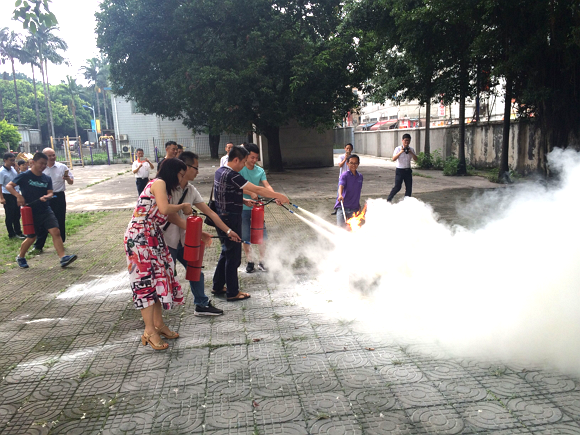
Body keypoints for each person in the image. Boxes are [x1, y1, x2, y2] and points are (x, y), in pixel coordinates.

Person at [124, 158, 194, 350]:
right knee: (145, 283)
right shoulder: (159, 183)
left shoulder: (164, 189)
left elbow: (170, 216)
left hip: (152, 235)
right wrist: (183, 206)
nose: (181, 179)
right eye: (181, 174)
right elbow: (165, 209)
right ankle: (149, 331)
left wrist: (196, 231)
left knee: (156, 281)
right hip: (140, 238)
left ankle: (159, 325)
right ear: (173, 172)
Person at [164, 151, 241, 315]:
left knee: (196, 271)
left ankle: (202, 304)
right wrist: (198, 233)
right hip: (165, 241)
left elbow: (210, 213)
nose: (198, 172)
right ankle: (156, 312)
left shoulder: (190, 190)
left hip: (184, 241)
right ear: (184, 167)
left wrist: (228, 231)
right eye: (196, 168)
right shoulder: (167, 188)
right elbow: (171, 217)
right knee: (165, 276)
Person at [212, 146, 289, 301]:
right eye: (243, 162)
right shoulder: (232, 175)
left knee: (226, 252)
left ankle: (218, 286)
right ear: (236, 160)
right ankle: (233, 292)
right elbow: (256, 189)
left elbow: (224, 194)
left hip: (221, 218)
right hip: (230, 219)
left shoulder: (220, 171)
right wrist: (278, 195)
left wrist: (243, 200)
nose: (243, 166)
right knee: (233, 257)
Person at [6, 152, 77, 269]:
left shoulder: (46, 178)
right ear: (33, 162)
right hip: (30, 211)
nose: (43, 166)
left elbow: (50, 192)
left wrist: (47, 196)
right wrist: (18, 196)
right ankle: (21, 256)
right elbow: (9, 186)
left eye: (45, 164)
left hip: (45, 210)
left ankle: (63, 258)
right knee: (32, 237)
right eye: (41, 163)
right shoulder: (25, 175)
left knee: (56, 231)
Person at [239, 143, 275, 273]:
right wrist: (249, 193)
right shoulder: (240, 169)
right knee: (245, 236)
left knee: (262, 235)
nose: (254, 160)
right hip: (243, 208)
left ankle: (262, 261)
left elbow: (267, 185)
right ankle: (250, 261)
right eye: (252, 157)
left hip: (257, 208)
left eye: (256, 158)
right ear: (246, 156)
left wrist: (275, 196)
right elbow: (236, 188)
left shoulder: (260, 170)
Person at [33, 148, 74, 252]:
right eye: (49, 156)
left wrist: (67, 178)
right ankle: (38, 245)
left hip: (58, 196)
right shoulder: (41, 168)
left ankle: (61, 243)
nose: (52, 157)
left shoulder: (62, 167)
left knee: (60, 219)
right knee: (42, 221)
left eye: (53, 155)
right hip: (44, 197)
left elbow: (71, 182)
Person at [0, 152, 25, 239]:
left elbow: (17, 178)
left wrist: (17, 169)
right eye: (11, 160)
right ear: (5, 160)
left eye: (14, 160)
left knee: (17, 214)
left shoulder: (13, 169)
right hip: (7, 195)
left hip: (15, 194)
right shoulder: (2, 172)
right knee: (10, 215)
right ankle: (11, 234)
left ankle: (18, 232)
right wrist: (1, 198)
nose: (13, 162)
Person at [387, 134, 418, 202]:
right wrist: (401, 152)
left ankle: (406, 202)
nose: (407, 142)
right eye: (405, 140)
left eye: (408, 140)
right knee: (397, 187)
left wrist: (411, 152)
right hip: (400, 170)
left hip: (408, 170)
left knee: (409, 188)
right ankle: (389, 200)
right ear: (402, 140)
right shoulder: (398, 149)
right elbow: (393, 159)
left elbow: (416, 159)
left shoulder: (411, 149)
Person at [335, 154, 363, 228]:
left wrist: (358, 204)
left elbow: (357, 191)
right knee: (341, 229)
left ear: (358, 164)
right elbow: (341, 185)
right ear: (347, 163)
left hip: (354, 208)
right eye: (351, 163)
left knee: (352, 230)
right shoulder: (344, 175)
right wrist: (340, 195)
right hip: (343, 207)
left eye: (355, 163)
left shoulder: (360, 176)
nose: (353, 165)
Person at [332, 143, 353, 215]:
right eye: (347, 148)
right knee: (339, 193)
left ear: (352, 149)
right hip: (342, 178)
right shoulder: (341, 156)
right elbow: (340, 165)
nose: (348, 150)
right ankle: (337, 208)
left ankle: (349, 207)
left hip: (350, 178)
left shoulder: (353, 157)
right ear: (345, 149)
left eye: (349, 148)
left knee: (349, 193)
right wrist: (345, 159)